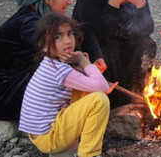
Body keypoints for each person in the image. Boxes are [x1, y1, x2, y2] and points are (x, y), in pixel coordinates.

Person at [0, 0, 77, 120]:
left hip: (11, 86)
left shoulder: (36, 17)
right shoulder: (28, 23)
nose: (69, 2)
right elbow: (58, 52)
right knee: (59, 69)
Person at [19, 13, 110, 157]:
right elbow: (103, 87)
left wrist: (82, 67)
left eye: (70, 34)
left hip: (43, 134)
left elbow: (91, 84)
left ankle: (71, 147)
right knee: (99, 100)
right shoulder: (59, 70)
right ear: (43, 46)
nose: (68, 41)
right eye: (58, 37)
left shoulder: (51, 63)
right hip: (49, 137)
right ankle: (89, 154)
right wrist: (85, 63)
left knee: (87, 91)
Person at [73, 0, 156, 107]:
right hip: (97, 49)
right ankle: (114, 102)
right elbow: (99, 35)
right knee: (108, 53)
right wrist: (113, 4)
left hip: (122, 42)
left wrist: (141, 4)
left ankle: (140, 88)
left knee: (147, 44)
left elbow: (147, 28)